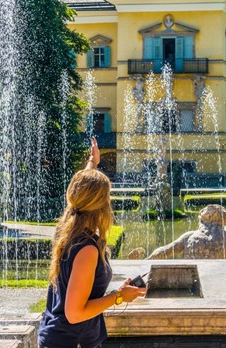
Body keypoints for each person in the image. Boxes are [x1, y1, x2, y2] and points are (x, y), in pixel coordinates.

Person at [39, 137, 146, 348]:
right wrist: (118, 297)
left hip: (58, 336)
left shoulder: (66, 229)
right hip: (72, 341)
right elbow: (75, 313)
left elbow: (80, 195)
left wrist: (93, 163)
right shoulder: (87, 249)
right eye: (107, 197)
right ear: (101, 205)